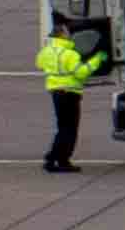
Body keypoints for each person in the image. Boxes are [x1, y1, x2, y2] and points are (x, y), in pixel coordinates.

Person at [35, 24, 102, 173]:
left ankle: (54, 158)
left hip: (55, 92)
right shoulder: (70, 54)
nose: (69, 34)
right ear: (62, 35)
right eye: (67, 32)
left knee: (62, 127)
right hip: (70, 93)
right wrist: (97, 60)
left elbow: (39, 63)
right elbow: (81, 73)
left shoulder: (46, 52)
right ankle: (59, 159)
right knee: (70, 129)